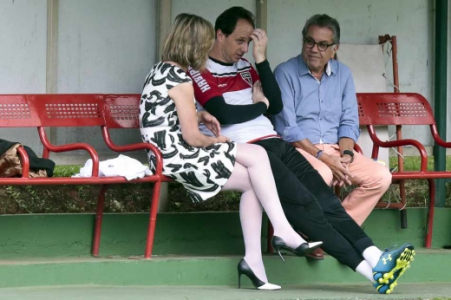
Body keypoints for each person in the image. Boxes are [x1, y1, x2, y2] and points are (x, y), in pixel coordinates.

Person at [190, 6, 414, 294]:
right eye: (240, 40)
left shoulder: (247, 67)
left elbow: (277, 104)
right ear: (220, 35)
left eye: (249, 42)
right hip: (252, 152)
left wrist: (261, 59)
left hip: (275, 143)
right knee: (310, 212)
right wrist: (259, 106)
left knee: (328, 203)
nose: (244, 48)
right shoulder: (199, 72)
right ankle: (372, 275)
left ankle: (376, 257)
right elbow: (225, 114)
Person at [139, 13, 322, 291]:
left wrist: (199, 115)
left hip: (162, 153)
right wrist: (220, 141)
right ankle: (284, 231)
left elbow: (164, 115)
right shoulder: (183, 79)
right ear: (194, 45)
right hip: (176, 158)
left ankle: (254, 263)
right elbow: (192, 138)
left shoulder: (162, 69)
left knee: (254, 182)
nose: (207, 49)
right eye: (204, 43)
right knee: (256, 156)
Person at [273, 14, 392, 226]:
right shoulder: (285, 72)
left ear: (334, 49)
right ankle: (318, 232)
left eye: (322, 44)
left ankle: (335, 228)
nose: (314, 49)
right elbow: (288, 129)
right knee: (322, 174)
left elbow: (348, 122)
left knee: (381, 177)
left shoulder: (343, 74)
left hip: (336, 151)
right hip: (298, 150)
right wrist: (324, 158)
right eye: (309, 41)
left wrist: (345, 155)